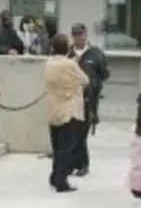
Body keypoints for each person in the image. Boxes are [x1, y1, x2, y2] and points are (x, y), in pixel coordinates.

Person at [44, 33, 89, 192]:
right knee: (66, 149)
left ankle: (55, 176)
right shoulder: (70, 65)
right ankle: (61, 181)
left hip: (53, 109)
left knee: (57, 148)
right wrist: (74, 63)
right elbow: (85, 80)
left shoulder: (48, 63)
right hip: (69, 110)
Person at [69, 22, 109, 175]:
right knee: (72, 131)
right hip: (70, 97)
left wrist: (95, 86)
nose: (78, 38)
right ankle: (73, 163)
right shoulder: (68, 53)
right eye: (75, 35)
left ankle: (83, 164)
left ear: (86, 35)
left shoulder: (96, 54)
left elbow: (104, 74)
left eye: (80, 34)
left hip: (88, 99)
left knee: (82, 131)